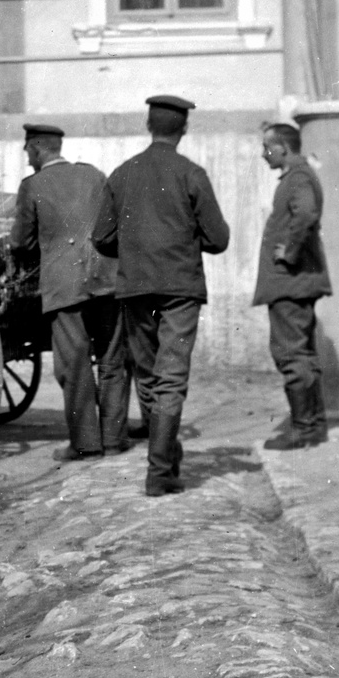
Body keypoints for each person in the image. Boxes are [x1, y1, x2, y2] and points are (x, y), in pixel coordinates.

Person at [91, 95, 230, 496]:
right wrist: (183, 241)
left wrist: (137, 250)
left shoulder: (121, 174)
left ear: (148, 125)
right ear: (183, 129)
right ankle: (158, 471)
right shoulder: (192, 173)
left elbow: (101, 237)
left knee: (149, 375)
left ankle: (164, 461)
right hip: (181, 288)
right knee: (171, 377)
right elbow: (218, 238)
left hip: (135, 287)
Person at [10, 122, 130, 462]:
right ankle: (114, 438)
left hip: (65, 285)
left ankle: (87, 443)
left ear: (35, 149)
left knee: (74, 364)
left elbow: (21, 242)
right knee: (111, 360)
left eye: (28, 150)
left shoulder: (32, 185)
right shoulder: (94, 175)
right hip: (107, 278)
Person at [252, 122, 332, 451]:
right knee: (303, 353)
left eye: (267, 147)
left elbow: (306, 213)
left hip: (291, 282)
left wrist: (291, 250)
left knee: (290, 353)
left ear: (284, 147)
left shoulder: (297, 177)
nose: (263, 153)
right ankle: (313, 424)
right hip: (298, 282)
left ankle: (304, 429)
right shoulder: (298, 175)